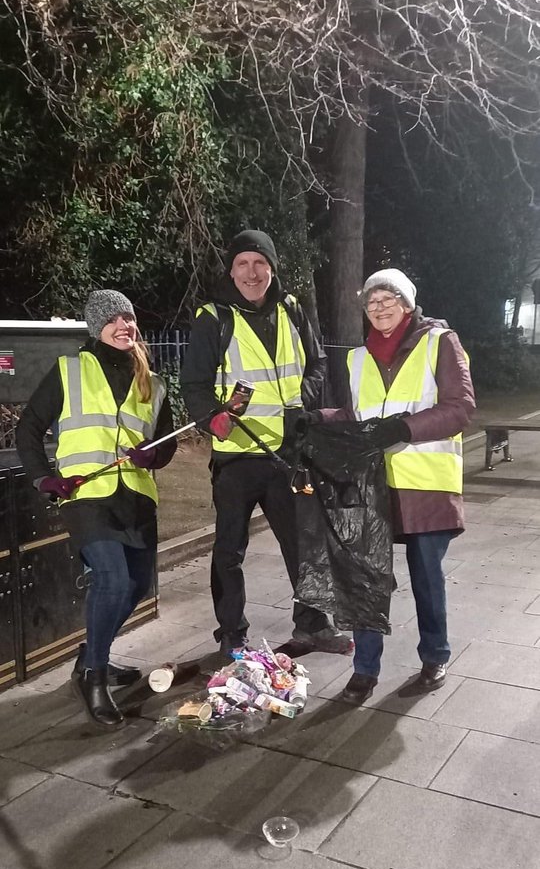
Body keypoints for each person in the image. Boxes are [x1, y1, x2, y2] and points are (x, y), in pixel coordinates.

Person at [180, 228, 352, 660]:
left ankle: (313, 624)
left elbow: (317, 364)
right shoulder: (213, 317)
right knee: (229, 552)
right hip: (237, 457)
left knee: (303, 545)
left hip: (287, 454)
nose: (252, 272)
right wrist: (213, 419)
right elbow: (194, 385)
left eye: (260, 263)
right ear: (231, 270)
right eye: (243, 264)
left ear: (272, 269)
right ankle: (232, 634)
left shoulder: (292, 309)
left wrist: (302, 404)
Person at [312, 267, 475, 704]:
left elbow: (460, 408)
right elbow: (356, 417)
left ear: (407, 303)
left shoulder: (439, 342)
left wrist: (401, 428)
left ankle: (435, 656)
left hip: (425, 484)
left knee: (426, 577)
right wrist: (319, 419)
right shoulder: (356, 358)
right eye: (372, 301)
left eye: (389, 298)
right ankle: (364, 670)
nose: (379, 306)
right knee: (365, 578)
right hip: (369, 484)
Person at [16, 290, 177, 731]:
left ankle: (89, 654)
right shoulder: (70, 370)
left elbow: (168, 442)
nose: (124, 325)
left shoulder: (155, 382)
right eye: (113, 319)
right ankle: (94, 676)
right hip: (87, 495)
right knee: (112, 578)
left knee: (138, 584)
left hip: (136, 496)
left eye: (128, 317)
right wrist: (44, 478)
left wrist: (154, 456)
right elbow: (27, 429)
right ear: (96, 327)